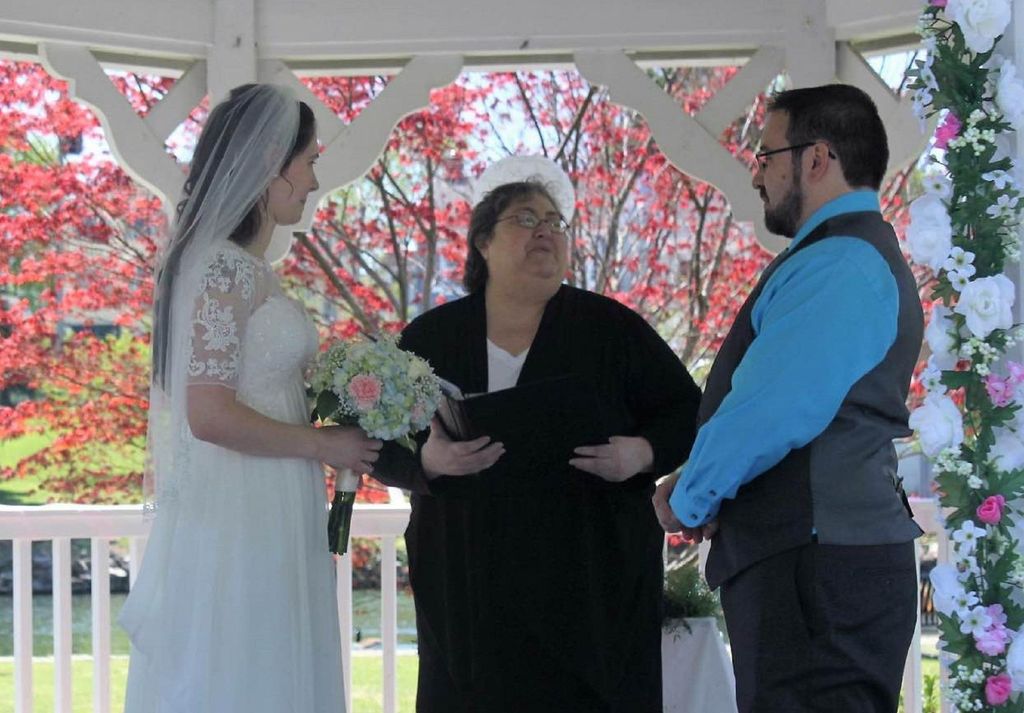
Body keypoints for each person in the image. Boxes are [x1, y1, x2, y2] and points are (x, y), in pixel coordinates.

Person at [372, 156, 702, 712]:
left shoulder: (614, 329)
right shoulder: (431, 338)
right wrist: (427, 464)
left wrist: (641, 453)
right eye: (526, 219)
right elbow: (374, 439)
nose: (547, 230)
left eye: (556, 222)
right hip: (468, 594)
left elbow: (688, 413)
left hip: (591, 592)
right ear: (482, 243)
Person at [654, 83, 924, 713]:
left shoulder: (843, 264)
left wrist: (693, 496)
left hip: (817, 566)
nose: (757, 174)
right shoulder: (843, 257)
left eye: (767, 154)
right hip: (818, 559)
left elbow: (771, 411)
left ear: (817, 158)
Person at [119, 83, 381, 713]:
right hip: (244, 506)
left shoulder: (236, 267)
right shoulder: (224, 268)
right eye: (310, 162)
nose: (315, 182)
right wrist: (324, 442)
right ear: (271, 164)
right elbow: (207, 414)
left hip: (264, 497)